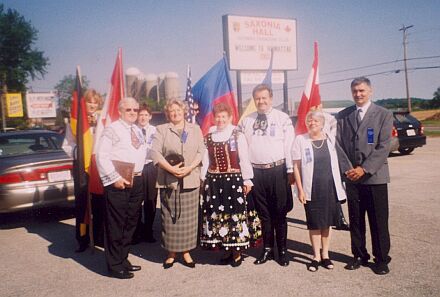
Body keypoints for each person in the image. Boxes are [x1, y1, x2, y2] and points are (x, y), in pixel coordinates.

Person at [336, 77, 393, 275]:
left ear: (370, 91)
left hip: (374, 176)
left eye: (361, 91)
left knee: (378, 220)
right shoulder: (343, 116)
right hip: (352, 178)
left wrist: (364, 169)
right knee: (356, 219)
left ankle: (381, 259)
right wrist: (348, 169)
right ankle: (359, 255)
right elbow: (339, 146)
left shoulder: (383, 114)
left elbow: (384, 146)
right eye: (355, 91)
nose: (358, 94)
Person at [239, 83, 295, 267]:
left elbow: (289, 145)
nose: (261, 101)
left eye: (264, 98)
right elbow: (242, 149)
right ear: (254, 100)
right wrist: (247, 176)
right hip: (257, 172)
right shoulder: (246, 121)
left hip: (278, 171)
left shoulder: (282, 118)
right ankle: (267, 249)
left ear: (271, 98)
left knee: (279, 212)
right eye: (257, 98)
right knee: (263, 214)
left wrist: (289, 170)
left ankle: (283, 251)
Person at [200, 103, 261, 267]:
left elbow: (244, 158)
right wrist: (202, 179)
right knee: (219, 216)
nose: (220, 120)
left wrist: (247, 179)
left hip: (233, 181)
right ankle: (226, 248)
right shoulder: (209, 136)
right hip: (214, 181)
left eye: (223, 116)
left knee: (234, 214)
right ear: (214, 117)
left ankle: (237, 252)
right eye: (218, 116)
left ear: (229, 117)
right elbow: (206, 160)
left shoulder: (237, 135)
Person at [148, 98, 205, 269]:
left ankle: (186, 252)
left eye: (178, 110)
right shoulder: (161, 130)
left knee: (189, 219)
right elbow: (154, 153)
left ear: (184, 111)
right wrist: (172, 170)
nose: (175, 113)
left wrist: (189, 168)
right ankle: (171, 253)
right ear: (167, 114)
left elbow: (201, 151)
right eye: (172, 111)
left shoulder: (195, 129)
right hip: (169, 180)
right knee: (170, 218)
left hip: (190, 179)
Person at [96, 97, 146, 279]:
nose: (133, 112)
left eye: (135, 109)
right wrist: (115, 178)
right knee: (116, 223)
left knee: (131, 222)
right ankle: (114, 264)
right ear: (120, 111)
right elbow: (101, 156)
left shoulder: (138, 130)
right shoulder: (112, 129)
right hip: (119, 182)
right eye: (129, 110)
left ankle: (123, 258)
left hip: (137, 180)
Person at [292, 110, 347, 272]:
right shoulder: (300, 140)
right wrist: (300, 190)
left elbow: (334, 120)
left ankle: (326, 255)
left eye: (316, 121)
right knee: (314, 223)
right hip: (311, 189)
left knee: (327, 223)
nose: (312, 123)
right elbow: (296, 166)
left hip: (330, 187)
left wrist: (318, 112)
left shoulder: (330, 138)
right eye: (309, 120)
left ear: (323, 124)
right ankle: (315, 256)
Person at [62, 89, 105, 253]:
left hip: (99, 166)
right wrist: (80, 152)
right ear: (83, 104)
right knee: (82, 204)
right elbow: (67, 145)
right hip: (82, 167)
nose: (92, 105)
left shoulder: (103, 120)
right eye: (89, 102)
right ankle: (82, 239)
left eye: (95, 102)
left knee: (99, 202)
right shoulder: (75, 122)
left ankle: (99, 236)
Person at [132, 104, 158, 244]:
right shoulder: (133, 130)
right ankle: (135, 232)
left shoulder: (155, 130)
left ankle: (148, 231)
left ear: (150, 116)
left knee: (151, 201)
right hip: (136, 169)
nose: (143, 117)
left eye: (145, 115)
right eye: (140, 115)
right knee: (136, 201)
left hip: (150, 167)